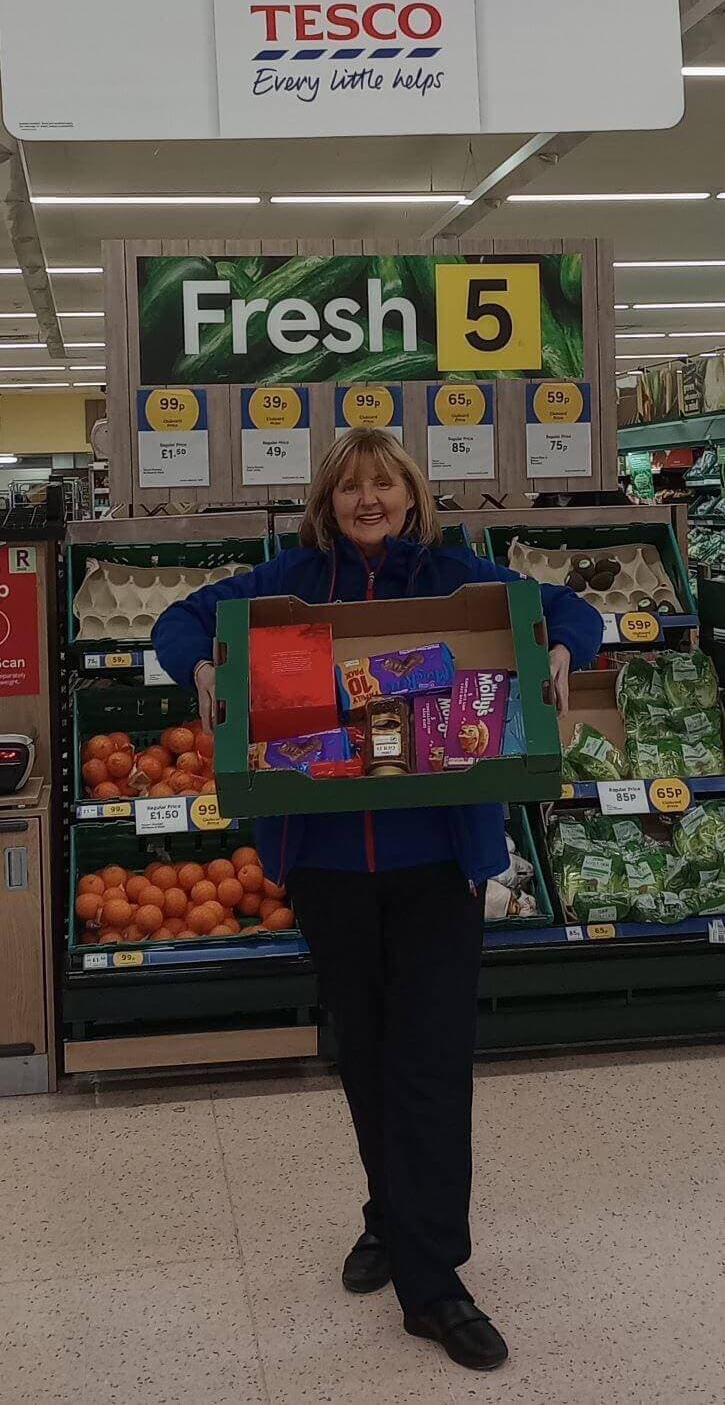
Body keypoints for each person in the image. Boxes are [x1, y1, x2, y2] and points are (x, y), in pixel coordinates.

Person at [152, 429, 602, 1372]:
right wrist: (200, 668)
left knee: (430, 1061)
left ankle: (434, 1283)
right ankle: (388, 1217)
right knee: (364, 1055)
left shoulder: (452, 575)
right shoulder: (286, 583)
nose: (367, 500)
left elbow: (567, 609)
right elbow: (180, 622)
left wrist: (560, 647)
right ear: (328, 499)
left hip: (438, 860)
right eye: (351, 486)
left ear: (410, 496)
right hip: (323, 863)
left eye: (383, 484)